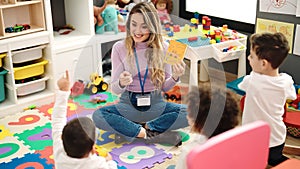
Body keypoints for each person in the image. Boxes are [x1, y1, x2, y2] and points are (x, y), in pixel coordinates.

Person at [92, 2, 188, 146]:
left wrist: (175, 77)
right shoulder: (119, 48)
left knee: (191, 112)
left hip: (156, 103)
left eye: (144, 26)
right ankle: (151, 135)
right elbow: (115, 89)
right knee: (98, 116)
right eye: (134, 24)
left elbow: (165, 88)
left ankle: (138, 129)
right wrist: (121, 83)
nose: (137, 30)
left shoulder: (164, 48)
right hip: (128, 104)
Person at [238, 32, 297, 167]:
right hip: (277, 137)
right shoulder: (286, 81)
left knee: (251, 160)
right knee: (274, 160)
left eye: (251, 56)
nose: (248, 58)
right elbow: (292, 96)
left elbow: (241, 86)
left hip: (253, 138)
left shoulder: (252, 81)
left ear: (263, 63)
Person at [52, 70, 117, 169]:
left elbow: (58, 120)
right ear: (93, 149)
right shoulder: (98, 164)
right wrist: (110, 162)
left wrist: (63, 91)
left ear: (61, 137)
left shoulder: (59, 152)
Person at [176, 83, 241, 169]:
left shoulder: (190, 153)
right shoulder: (239, 140)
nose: (187, 115)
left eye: (189, 113)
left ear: (199, 122)